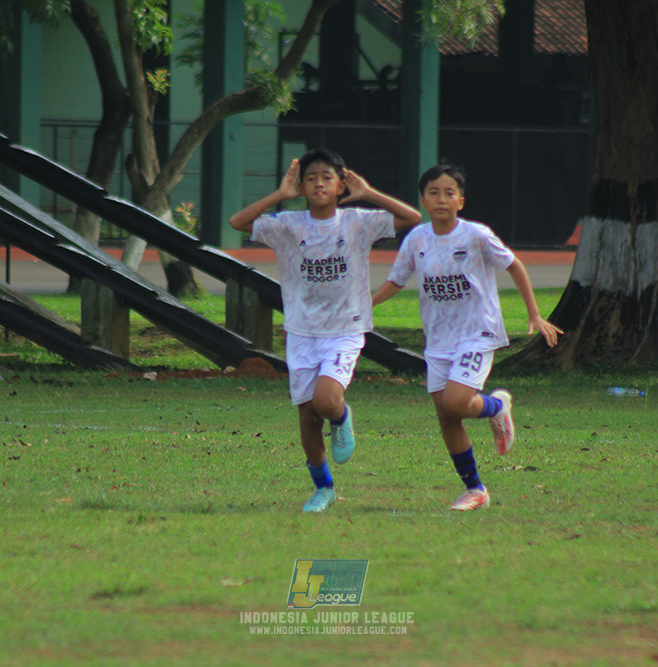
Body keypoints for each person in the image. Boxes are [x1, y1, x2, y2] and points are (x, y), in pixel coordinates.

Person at [229, 149, 421, 513]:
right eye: (311, 177)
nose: (319, 183)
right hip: (302, 332)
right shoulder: (288, 224)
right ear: (301, 186)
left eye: (327, 177)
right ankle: (324, 488)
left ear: (340, 185)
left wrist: (369, 193)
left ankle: (342, 417)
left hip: (345, 328)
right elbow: (238, 222)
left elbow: (411, 216)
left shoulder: (357, 222)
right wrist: (279, 196)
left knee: (327, 401)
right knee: (307, 417)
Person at [372, 164, 562, 511]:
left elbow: (514, 265)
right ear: (422, 200)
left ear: (461, 201)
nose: (441, 199)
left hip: (477, 333)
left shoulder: (476, 235)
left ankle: (496, 407)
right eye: (433, 193)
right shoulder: (416, 239)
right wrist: (364, 305)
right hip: (439, 340)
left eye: (449, 193)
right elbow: (397, 281)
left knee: (457, 402)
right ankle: (476, 490)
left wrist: (534, 313)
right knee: (447, 417)